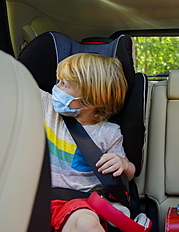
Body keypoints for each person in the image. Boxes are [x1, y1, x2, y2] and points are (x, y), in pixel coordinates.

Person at [40, 53, 136, 232]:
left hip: (81, 203)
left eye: (63, 84)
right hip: (38, 198)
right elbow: (12, 83)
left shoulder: (109, 133)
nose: (56, 87)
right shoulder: (48, 108)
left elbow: (127, 176)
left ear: (90, 99)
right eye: (58, 81)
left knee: (86, 223)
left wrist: (122, 164)